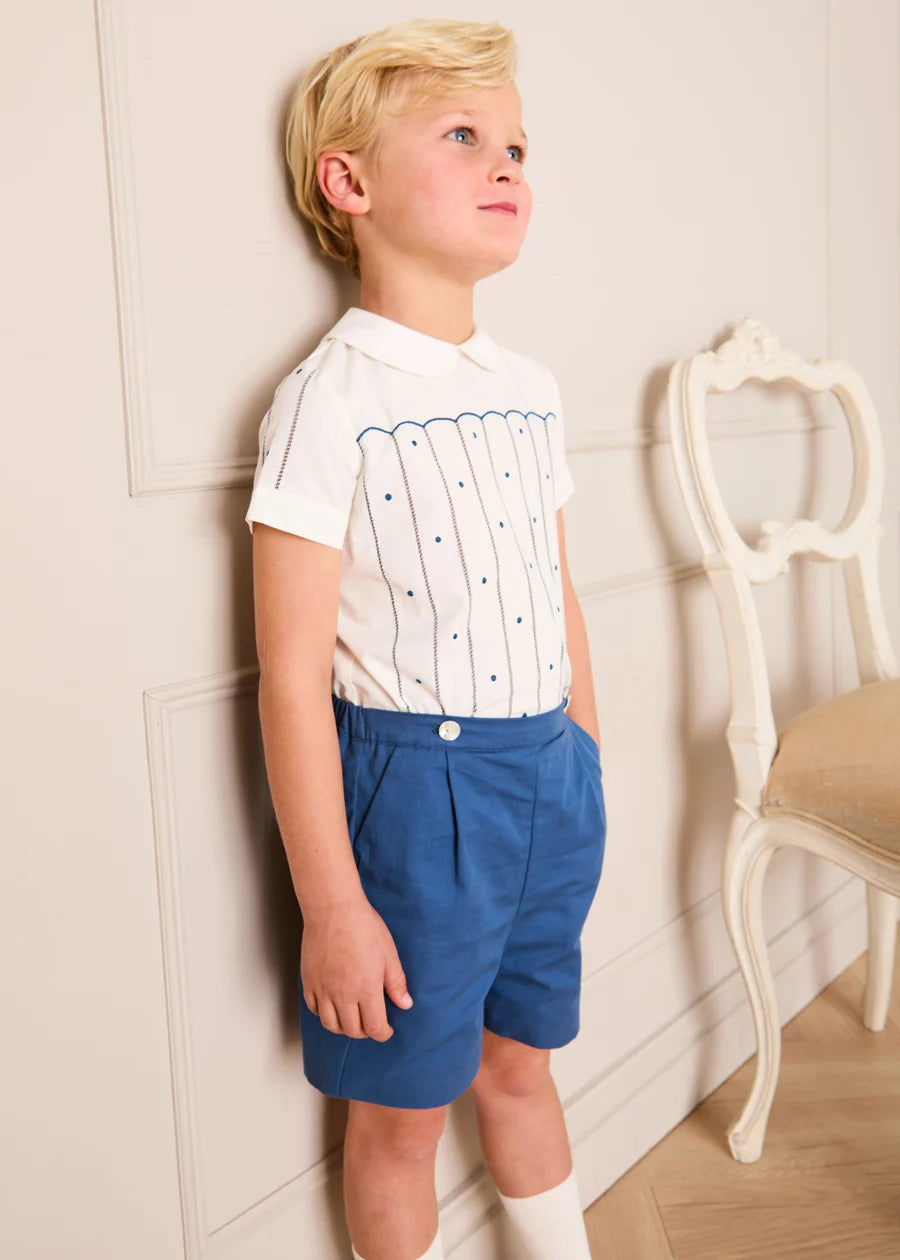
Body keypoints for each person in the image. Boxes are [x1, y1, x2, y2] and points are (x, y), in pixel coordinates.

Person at [244, 18, 606, 1260]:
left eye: (516, 145)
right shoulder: (329, 401)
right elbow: (292, 680)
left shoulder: (530, 389)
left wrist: (584, 754)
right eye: (463, 135)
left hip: (549, 782)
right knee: (400, 1118)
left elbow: (558, 589)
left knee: (522, 1063)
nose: (506, 163)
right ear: (350, 183)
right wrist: (332, 902)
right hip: (419, 801)